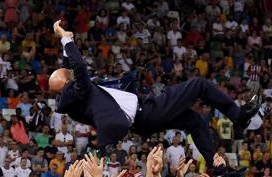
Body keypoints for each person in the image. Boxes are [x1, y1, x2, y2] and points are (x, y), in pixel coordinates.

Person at [49, 21, 260, 166]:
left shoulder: (74, 98)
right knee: (199, 85)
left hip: (143, 118)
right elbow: (78, 69)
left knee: (193, 120)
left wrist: (65, 41)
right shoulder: (79, 89)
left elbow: (69, 70)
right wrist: (67, 41)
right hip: (146, 112)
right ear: (68, 82)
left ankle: (217, 167)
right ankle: (238, 116)